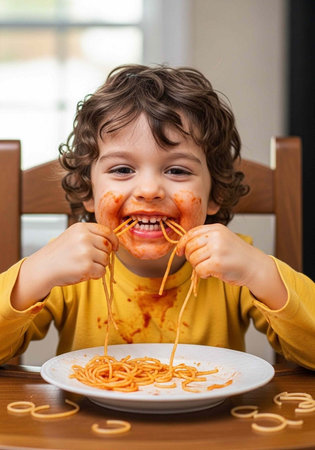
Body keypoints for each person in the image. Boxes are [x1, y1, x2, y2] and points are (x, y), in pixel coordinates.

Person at [0, 64, 314, 369]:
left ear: (215, 193)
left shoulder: (233, 267)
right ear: (88, 191)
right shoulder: (67, 268)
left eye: (177, 170)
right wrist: (33, 275)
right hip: (87, 420)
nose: (149, 190)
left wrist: (261, 273)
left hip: (212, 422)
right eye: (122, 169)